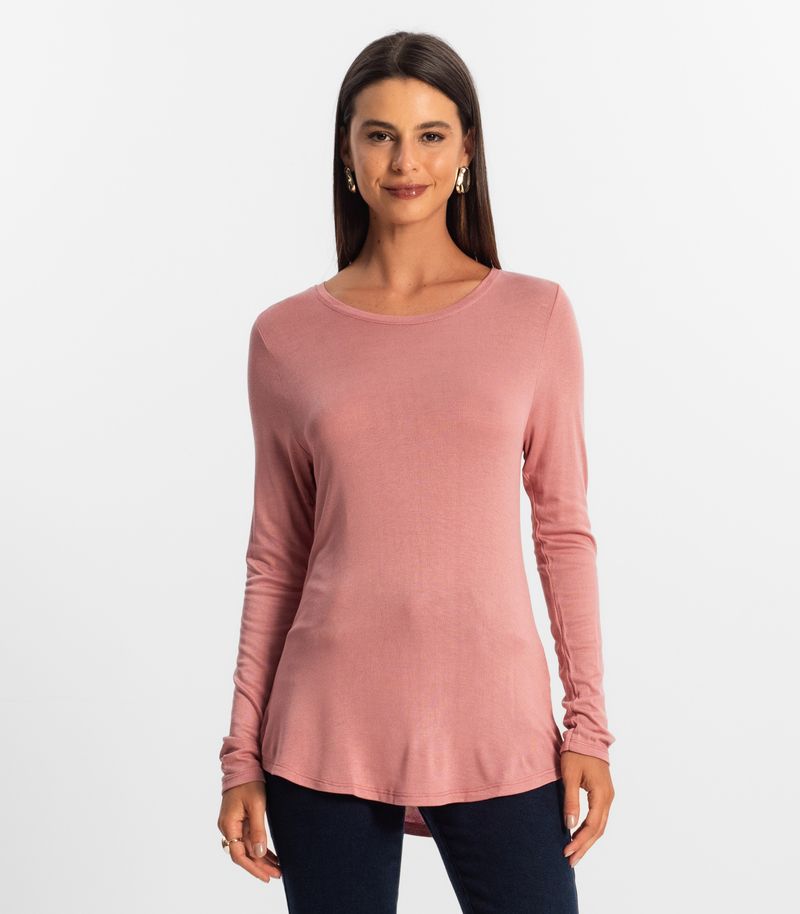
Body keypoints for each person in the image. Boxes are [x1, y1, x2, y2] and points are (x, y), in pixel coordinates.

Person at [216, 30, 615, 914]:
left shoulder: (536, 316)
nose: (406, 161)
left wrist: (588, 724)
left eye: (431, 135)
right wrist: (241, 753)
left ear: (467, 149)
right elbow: (275, 559)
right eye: (380, 135)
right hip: (324, 730)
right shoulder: (285, 338)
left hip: (498, 726)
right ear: (347, 150)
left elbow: (563, 533)